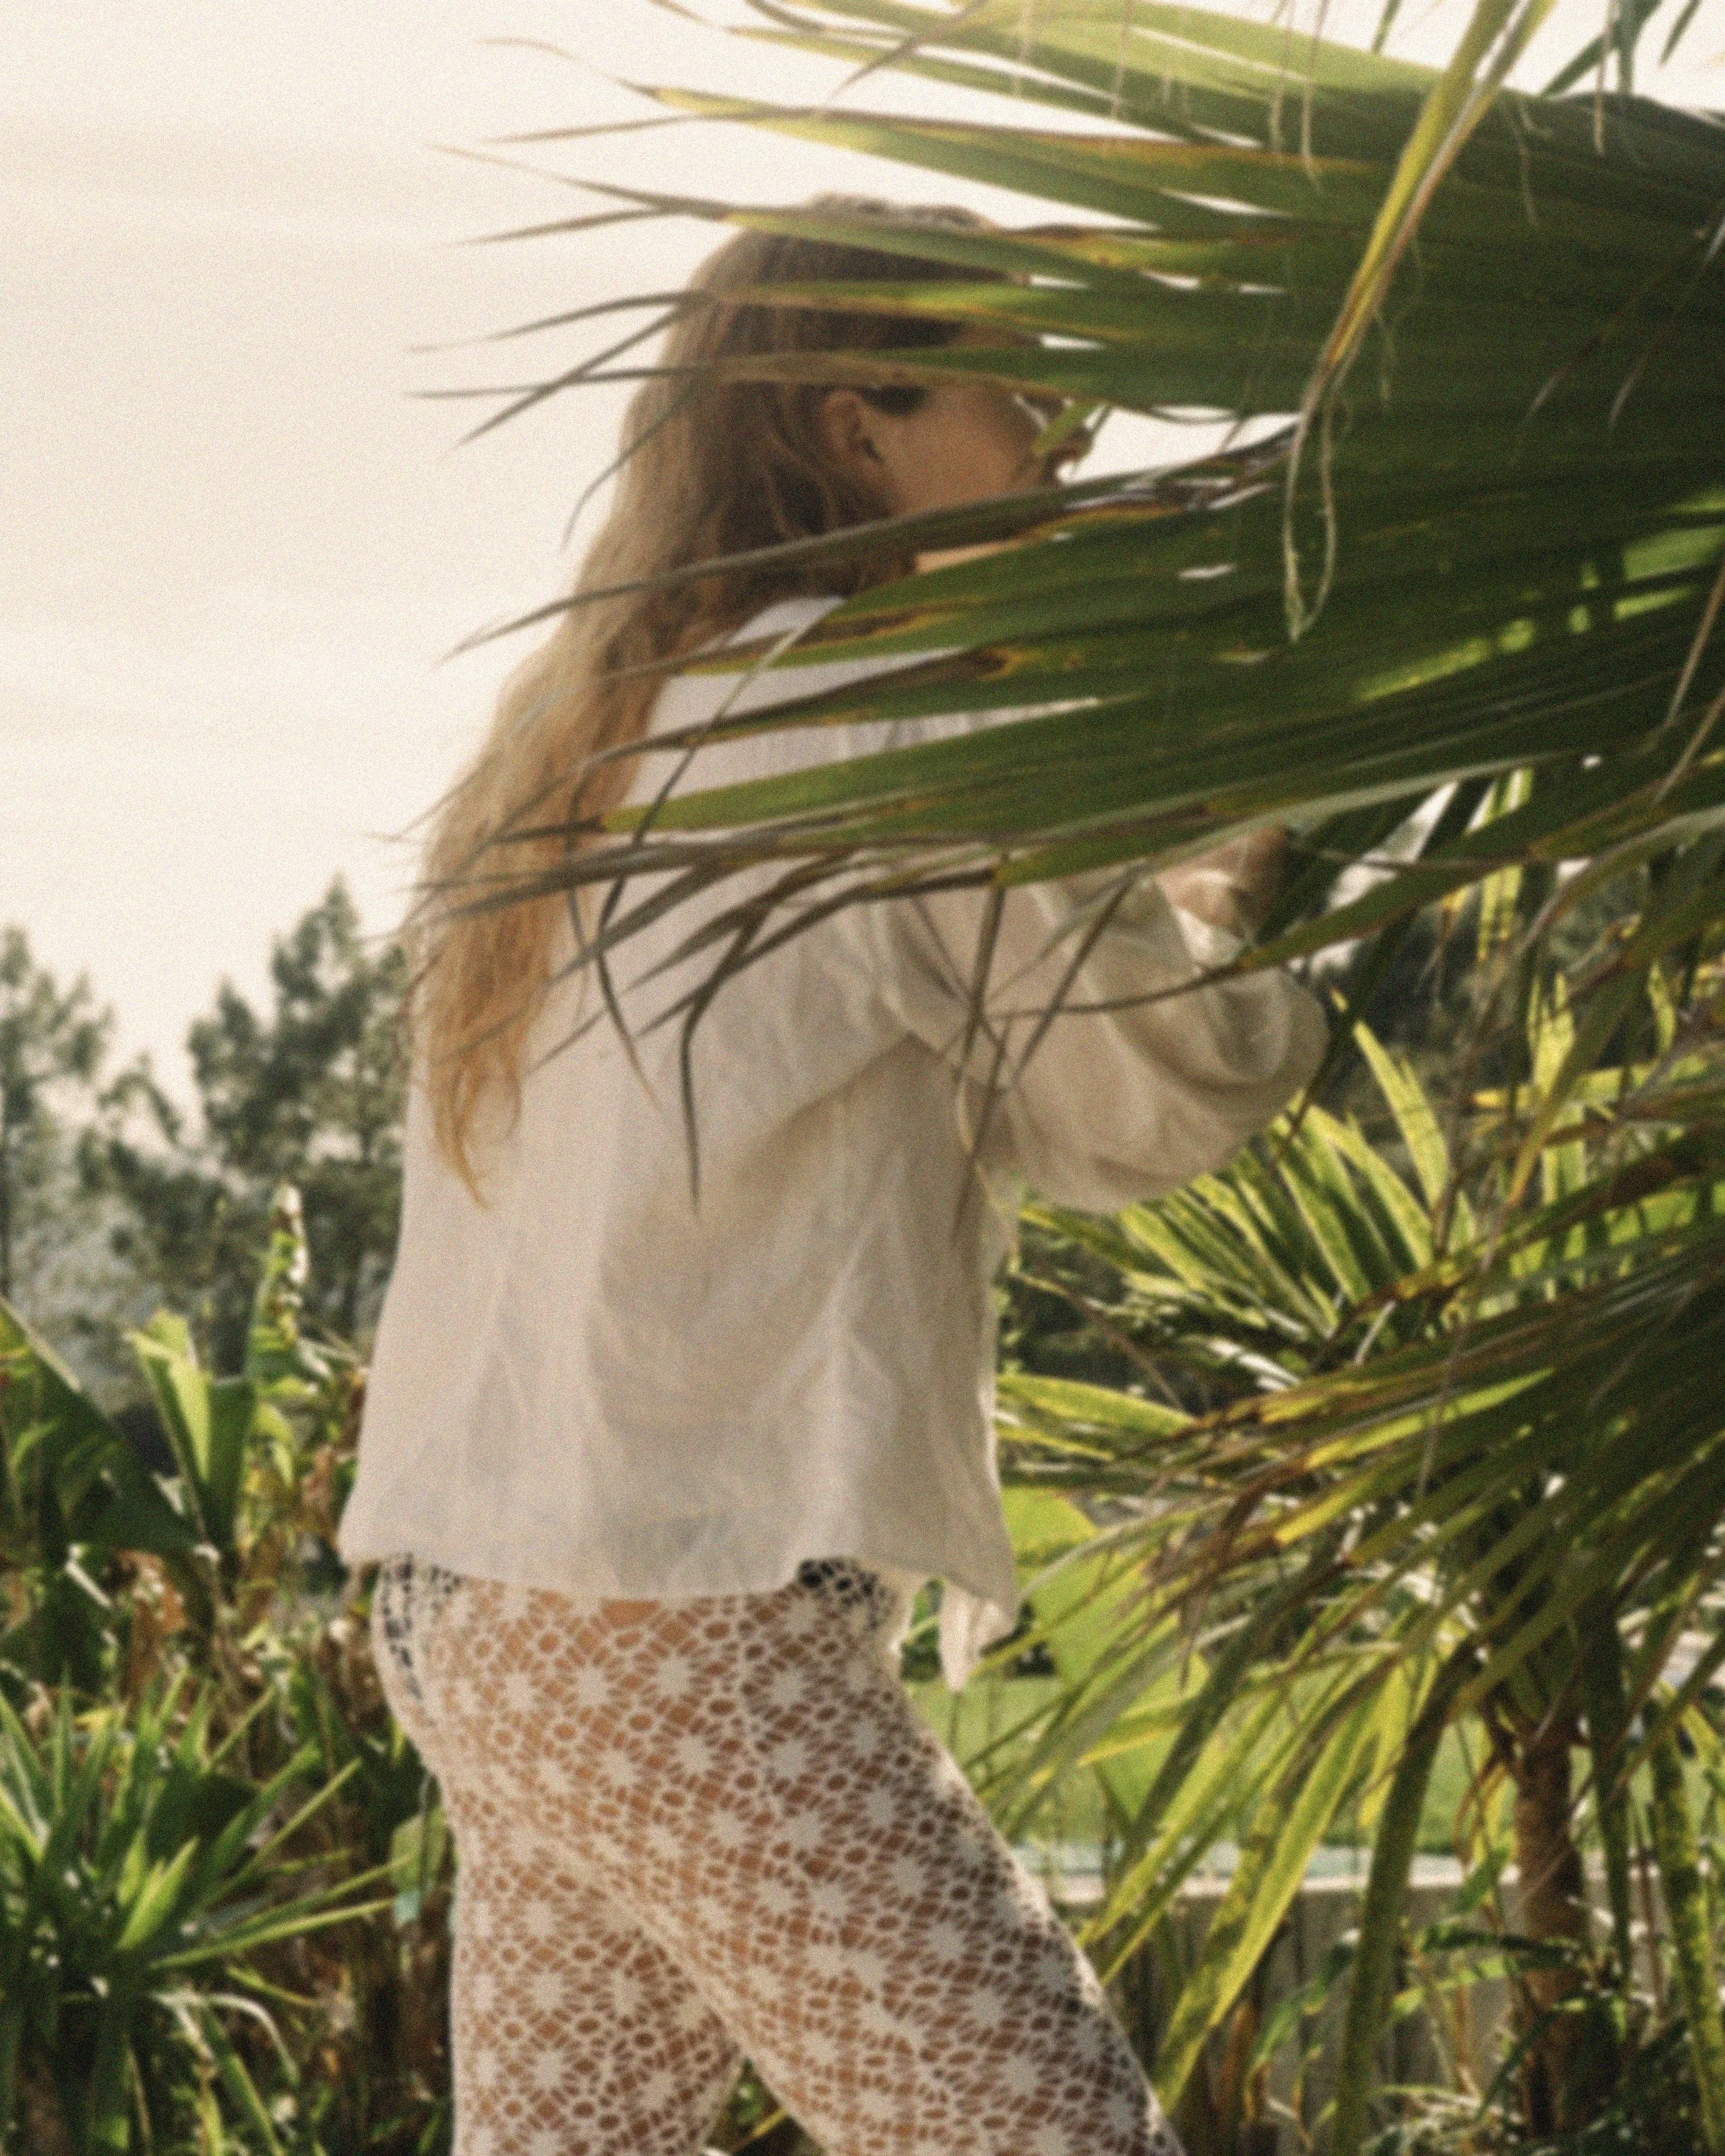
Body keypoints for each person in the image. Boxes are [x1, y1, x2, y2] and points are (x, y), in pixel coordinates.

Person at [340, 197, 1327, 2156]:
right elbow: (1164, 1087)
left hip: (489, 1617)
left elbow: (1016, 1092)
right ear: (850, 419)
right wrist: (1259, 852)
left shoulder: (590, 725)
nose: (1065, 438)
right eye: (1021, 388)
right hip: (673, 1627)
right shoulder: (895, 714)